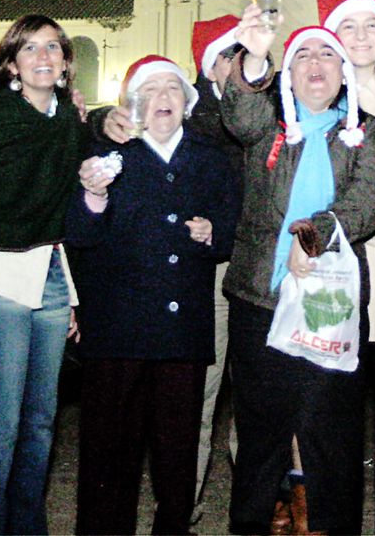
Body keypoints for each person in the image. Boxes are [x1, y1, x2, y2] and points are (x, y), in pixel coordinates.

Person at [222, 8, 375, 535]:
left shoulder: (363, 133)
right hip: (261, 300)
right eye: (302, 56)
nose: (315, 64)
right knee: (261, 431)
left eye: (327, 54)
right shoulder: (268, 129)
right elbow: (240, 112)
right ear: (288, 74)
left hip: (329, 303)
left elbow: (369, 201)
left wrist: (314, 235)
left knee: (328, 429)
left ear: (344, 72)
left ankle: (326, 525)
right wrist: (252, 57)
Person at [70, 55, 240, 534]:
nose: (162, 99)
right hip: (117, 328)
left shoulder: (209, 157)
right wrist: (94, 197)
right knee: (109, 455)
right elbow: (79, 234)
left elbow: (232, 224)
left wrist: (213, 234)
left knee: (177, 455)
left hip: (180, 331)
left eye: (172, 89)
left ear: (187, 102)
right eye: (149, 90)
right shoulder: (108, 153)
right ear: (132, 105)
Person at [0, 14, 88, 534]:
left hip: (48, 279)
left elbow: (60, 217)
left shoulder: (70, 123)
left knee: (41, 424)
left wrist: (69, 294)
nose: (43, 58)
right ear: (11, 63)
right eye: (30, 49)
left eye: (53, 47)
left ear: (66, 61)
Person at [316, 0, 375, 533]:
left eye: (372, 25)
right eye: (349, 27)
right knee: (335, 411)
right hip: (338, 271)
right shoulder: (321, 102)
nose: (362, 36)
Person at [186, 14, 248, 525]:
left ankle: (254, 503)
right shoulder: (195, 114)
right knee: (201, 389)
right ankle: (183, 501)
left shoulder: (268, 105)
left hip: (256, 267)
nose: (238, 63)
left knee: (253, 393)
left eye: (244, 52)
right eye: (228, 54)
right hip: (209, 268)